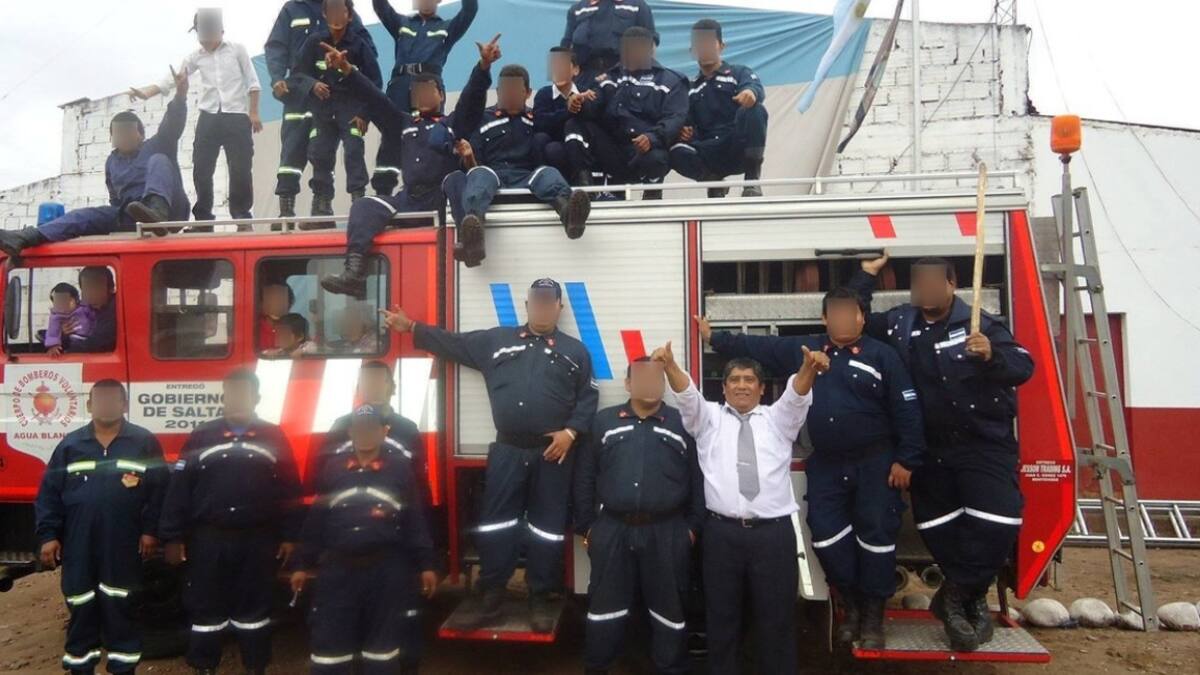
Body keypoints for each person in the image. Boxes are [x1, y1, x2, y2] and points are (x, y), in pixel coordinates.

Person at [700, 287, 926, 649]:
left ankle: (872, 618)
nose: (842, 318)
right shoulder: (808, 351)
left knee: (877, 538)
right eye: (834, 312)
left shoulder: (883, 356)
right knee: (824, 534)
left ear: (862, 318)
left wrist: (907, 458)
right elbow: (762, 348)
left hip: (875, 462)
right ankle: (851, 605)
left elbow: (908, 408)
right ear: (824, 318)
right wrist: (716, 338)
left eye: (850, 312)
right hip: (828, 462)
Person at [380, 278, 598, 631]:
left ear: (559, 307)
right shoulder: (496, 341)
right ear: (527, 305)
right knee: (497, 523)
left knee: (547, 527)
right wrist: (412, 327)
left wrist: (571, 432)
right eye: (537, 301)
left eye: (549, 302)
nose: (542, 308)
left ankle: (541, 596)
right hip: (507, 449)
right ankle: (492, 594)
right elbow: (453, 343)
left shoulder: (576, 351)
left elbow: (588, 397)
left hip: (553, 452)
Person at [850, 254, 1035, 652]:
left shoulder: (981, 324)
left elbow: (1024, 367)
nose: (926, 290)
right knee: (939, 530)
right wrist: (866, 276)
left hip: (983, 445)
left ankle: (953, 596)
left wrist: (992, 355)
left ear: (952, 284)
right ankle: (969, 604)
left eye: (934, 283)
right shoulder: (900, 323)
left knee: (999, 523)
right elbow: (854, 318)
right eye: (919, 284)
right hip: (928, 450)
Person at [656, 340, 822, 675]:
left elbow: (796, 396)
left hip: (772, 536)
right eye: (734, 379)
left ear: (761, 389)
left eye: (749, 380)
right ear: (724, 388)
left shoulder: (779, 420)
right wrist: (670, 365)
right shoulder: (708, 420)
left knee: (777, 618)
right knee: (722, 617)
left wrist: (808, 368)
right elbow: (687, 396)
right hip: (722, 535)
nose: (741, 385)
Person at [316, 35, 495, 297]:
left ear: (441, 95)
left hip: (440, 198)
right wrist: (346, 69)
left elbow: (472, 100)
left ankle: (469, 247)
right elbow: (375, 99)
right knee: (364, 205)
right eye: (417, 91)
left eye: (428, 90)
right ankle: (354, 273)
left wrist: (483, 67)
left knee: (456, 179)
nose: (422, 95)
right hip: (409, 199)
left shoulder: (453, 123)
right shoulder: (402, 123)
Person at [159, 369, 303, 675]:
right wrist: (172, 536)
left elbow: (290, 489)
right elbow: (180, 488)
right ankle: (204, 667)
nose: (236, 399)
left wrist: (290, 535)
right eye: (230, 393)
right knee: (205, 607)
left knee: (255, 608)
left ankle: (255, 666)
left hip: (258, 539)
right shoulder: (202, 435)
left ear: (256, 398)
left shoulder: (273, 436)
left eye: (243, 393)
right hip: (209, 539)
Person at [575, 356, 705, 675]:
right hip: (612, 529)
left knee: (669, 610)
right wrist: (588, 527)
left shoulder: (683, 423)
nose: (650, 385)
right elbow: (585, 476)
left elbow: (699, 479)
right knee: (605, 608)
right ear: (628, 384)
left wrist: (691, 529)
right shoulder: (603, 422)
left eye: (656, 379)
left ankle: (670, 667)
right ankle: (598, 666)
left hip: (668, 531)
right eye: (642, 379)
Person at [291, 404, 437, 675]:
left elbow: (414, 520)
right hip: (338, 572)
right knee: (330, 652)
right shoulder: (333, 469)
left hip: (385, 570)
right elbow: (316, 521)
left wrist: (426, 564)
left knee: (381, 652)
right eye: (359, 429)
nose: (365, 434)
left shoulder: (400, 470)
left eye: (371, 429)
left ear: (384, 432)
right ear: (350, 433)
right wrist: (302, 563)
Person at [34, 380, 168, 674]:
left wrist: (150, 531)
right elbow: (49, 493)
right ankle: (81, 667)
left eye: (113, 400)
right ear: (90, 405)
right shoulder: (70, 445)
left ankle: (123, 668)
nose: (106, 406)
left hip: (123, 543)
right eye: (100, 400)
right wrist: (48, 536)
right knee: (80, 603)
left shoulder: (143, 442)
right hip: (78, 542)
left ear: (124, 405)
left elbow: (159, 491)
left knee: (121, 608)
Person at [0, 70, 190, 257]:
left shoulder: (156, 145)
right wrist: (112, 219)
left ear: (140, 135)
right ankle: (25, 237)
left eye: (128, 132)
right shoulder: (112, 163)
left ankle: (157, 211)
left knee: (159, 159)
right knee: (84, 216)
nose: (124, 137)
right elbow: (115, 199)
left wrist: (180, 96)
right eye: (119, 133)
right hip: (135, 215)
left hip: (171, 212)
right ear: (112, 138)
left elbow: (172, 125)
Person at [442, 51, 592, 267]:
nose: (509, 94)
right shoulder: (482, 119)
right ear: (498, 92)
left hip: (527, 177)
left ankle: (570, 216)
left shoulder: (536, 119)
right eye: (505, 89)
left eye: (515, 89)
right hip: (492, 176)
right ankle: (473, 231)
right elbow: (473, 167)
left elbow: (554, 133)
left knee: (548, 173)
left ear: (528, 93)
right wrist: (470, 158)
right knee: (479, 175)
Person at [129, 9, 262, 225]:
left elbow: (253, 82)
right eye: (200, 30)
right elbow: (172, 79)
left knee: (240, 169)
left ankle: (242, 217)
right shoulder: (195, 57)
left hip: (236, 116)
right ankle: (203, 217)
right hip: (208, 117)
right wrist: (146, 93)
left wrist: (254, 112)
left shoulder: (237, 50)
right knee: (201, 168)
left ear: (220, 29)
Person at [265, 0, 374, 219]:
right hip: (298, 93)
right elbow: (276, 46)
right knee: (291, 154)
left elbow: (366, 50)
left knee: (324, 152)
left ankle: (322, 207)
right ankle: (286, 210)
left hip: (332, 94)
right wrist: (277, 77)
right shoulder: (292, 9)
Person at [370, 0, 479, 197]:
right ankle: (383, 192)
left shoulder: (447, 27)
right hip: (400, 85)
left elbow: (470, 10)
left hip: (429, 85)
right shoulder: (401, 23)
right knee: (391, 137)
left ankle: (430, 189)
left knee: (429, 135)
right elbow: (381, 7)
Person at [564, 26, 687, 198]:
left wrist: (651, 138)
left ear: (649, 49)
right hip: (614, 150)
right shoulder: (610, 78)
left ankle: (652, 194)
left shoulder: (671, 81)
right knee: (574, 125)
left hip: (645, 150)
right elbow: (593, 106)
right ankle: (586, 190)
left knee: (656, 157)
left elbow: (675, 118)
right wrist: (577, 103)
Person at [291, 0, 383, 224]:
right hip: (322, 109)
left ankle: (359, 206)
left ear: (349, 15)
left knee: (353, 153)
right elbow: (297, 74)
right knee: (319, 154)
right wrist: (312, 85)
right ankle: (321, 211)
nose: (336, 16)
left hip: (352, 109)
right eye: (331, 11)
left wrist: (364, 114)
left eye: (341, 11)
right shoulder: (314, 42)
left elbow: (375, 82)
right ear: (324, 14)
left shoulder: (359, 45)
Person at [670, 19, 768, 198]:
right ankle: (714, 183)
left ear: (722, 46)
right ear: (692, 51)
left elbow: (754, 88)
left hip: (737, 147)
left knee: (756, 110)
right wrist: (685, 132)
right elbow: (686, 122)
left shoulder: (739, 73)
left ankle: (752, 180)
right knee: (674, 150)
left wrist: (750, 93)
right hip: (707, 151)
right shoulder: (689, 88)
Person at [319, 361, 427, 501]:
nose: (372, 387)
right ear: (359, 388)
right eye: (367, 382)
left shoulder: (407, 429)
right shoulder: (342, 425)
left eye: (377, 381)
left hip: (393, 510)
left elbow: (419, 482)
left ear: (392, 387)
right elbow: (321, 477)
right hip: (346, 508)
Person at [562, 0, 656, 84]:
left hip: (622, 75)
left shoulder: (637, 6)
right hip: (586, 75)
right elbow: (567, 45)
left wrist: (646, 80)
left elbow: (650, 43)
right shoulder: (577, 9)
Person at [532, 46, 591, 179]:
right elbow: (539, 123)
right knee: (542, 142)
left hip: (580, 145)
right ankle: (542, 179)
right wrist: (567, 110)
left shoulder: (585, 93)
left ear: (575, 70)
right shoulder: (544, 94)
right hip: (553, 145)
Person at [53, 266, 118, 356]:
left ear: (111, 288)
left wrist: (67, 355)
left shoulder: (115, 310)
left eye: (96, 287)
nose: (91, 293)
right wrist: (63, 334)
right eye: (86, 287)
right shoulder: (82, 309)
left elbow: (95, 344)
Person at [45, 283, 93, 353]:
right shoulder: (56, 317)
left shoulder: (84, 308)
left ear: (76, 300)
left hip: (90, 338)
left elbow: (95, 318)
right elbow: (52, 333)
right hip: (73, 340)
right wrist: (53, 345)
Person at [257, 282, 295, 350]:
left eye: (281, 300)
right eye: (271, 300)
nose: (276, 305)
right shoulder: (254, 328)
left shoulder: (295, 325)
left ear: (288, 305)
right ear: (261, 304)